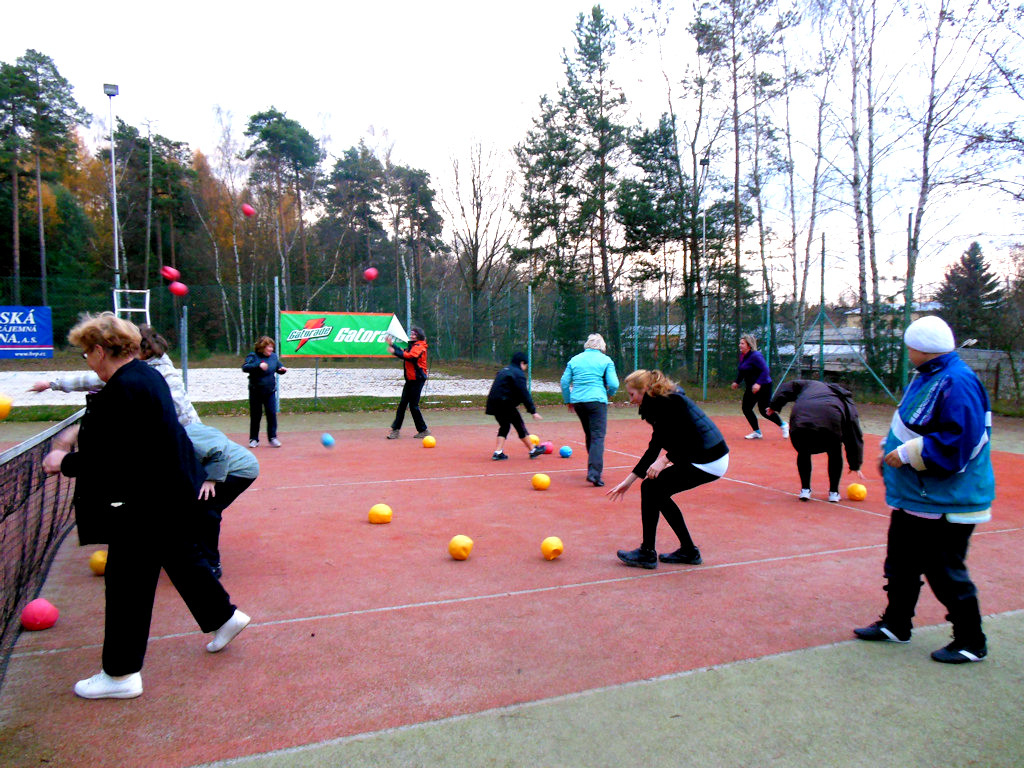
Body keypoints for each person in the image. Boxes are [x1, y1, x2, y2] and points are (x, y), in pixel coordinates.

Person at [41, 312, 249, 700]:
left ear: (100, 351)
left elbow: (111, 455)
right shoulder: (145, 375)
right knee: (180, 556)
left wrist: (62, 462)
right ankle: (223, 617)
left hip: (144, 502)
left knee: (127, 585)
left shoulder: (125, 387)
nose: (87, 362)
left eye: (87, 354)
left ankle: (120, 675)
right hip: (167, 493)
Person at [854, 315, 995, 664]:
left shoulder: (957, 381)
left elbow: (960, 442)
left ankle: (970, 640)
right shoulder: (933, 375)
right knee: (900, 564)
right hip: (917, 497)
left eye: (909, 347)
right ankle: (897, 624)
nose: (907, 352)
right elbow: (915, 424)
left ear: (919, 348)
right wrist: (892, 449)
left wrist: (907, 454)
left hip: (948, 501)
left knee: (945, 572)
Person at [607, 369, 729, 569]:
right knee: (653, 490)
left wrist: (665, 460)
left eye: (632, 394)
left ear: (645, 389)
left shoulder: (671, 402)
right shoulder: (660, 404)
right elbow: (655, 446)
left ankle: (648, 553)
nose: (631, 400)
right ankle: (688, 551)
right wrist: (627, 482)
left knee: (652, 489)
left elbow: (690, 437)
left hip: (708, 458)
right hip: (705, 456)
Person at [30, 323, 201, 427]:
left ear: (140, 350)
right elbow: (94, 380)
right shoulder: (133, 372)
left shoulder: (161, 375)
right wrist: (53, 384)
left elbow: (176, 409)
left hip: (189, 440)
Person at [766, 379, 865, 502]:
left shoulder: (812, 384)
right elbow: (853, 433)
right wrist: (855, 464)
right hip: (830, 426)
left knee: (803, 451)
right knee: (834, 450)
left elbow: (789, 386)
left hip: (800, 422)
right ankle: (834, 492)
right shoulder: (846, 400)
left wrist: (775, 405)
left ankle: (805, 490)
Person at [185, 422, 260, 579]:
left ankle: (211, 564)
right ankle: (193, 551)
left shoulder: (186, 438)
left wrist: (212, 479)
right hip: (216, 467)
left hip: (240, 469)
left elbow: (219, 449)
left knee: (207, 509)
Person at [560, 333, 619, 487]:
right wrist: (609, 394)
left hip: (578, 401)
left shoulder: (575, 360)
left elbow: (564, 382)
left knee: (590, 434)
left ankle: (593, 468)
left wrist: (568, 400)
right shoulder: (606, 360)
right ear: (602, 347)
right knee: (598, 436)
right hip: (597, 401)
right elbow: (614, 384)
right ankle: (594, 473)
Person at [485, 352, 545, 460]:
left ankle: (498, 452)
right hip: (505, 403)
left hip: (493, 403)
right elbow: (524, 393)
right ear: (522, 363)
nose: (525, 368)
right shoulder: (518, 374)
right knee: (519, 425)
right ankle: (533, 450)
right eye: (526, 365)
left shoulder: (504, 370)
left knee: (505, 426)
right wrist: (533, 411)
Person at [731, 334, 787, 440]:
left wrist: (758, 383)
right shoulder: (743, 355)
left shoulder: (756, 355)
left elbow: (765, 370)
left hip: (764, 385)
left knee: (764, 410)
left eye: (742, 343)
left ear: (749, 345)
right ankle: (757, 432)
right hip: (751, 387)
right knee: (746, 408)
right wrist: (737, 382)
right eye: (740, 343)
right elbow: (742, 370)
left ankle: (783, 425)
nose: (740, 345)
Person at [242, 335, 287, 448]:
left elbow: (278, 366)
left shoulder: (273, 357)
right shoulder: (253, 356)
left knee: (271, 414)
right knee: (256, 416)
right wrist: (258, 365)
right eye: (269, 347)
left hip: (270, 391)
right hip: (255, 391)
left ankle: (273, 438)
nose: (271, 349)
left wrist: (282, 370)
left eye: (272, 347)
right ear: (262, 348)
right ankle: (254, 439)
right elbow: (245, 367)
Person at [386, 327, 430, 439]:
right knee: (403, 404)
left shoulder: (420, 347)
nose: (412, 335)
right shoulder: (413, 346)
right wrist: (393, 345)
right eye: (411, 334)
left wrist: (395, 352)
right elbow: (404, 352)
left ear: (419, 336)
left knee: (413, 406)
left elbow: (411, 357)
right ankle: (395, 430)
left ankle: (423, 430)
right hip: (410, 379)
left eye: (414, 334)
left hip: (417, 379)